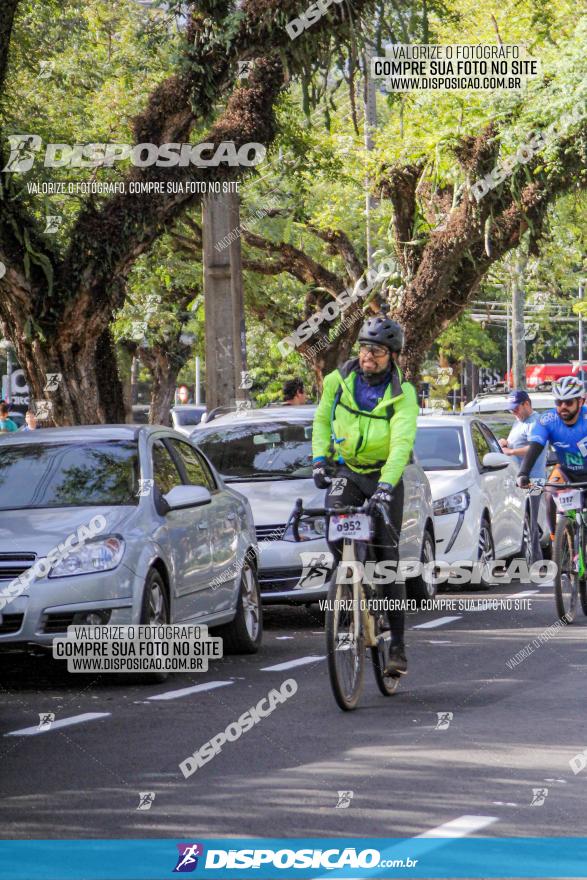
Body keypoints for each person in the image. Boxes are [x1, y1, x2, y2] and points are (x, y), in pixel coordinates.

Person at [311, 316, 419, 675]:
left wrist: (387, 484)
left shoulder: (403, 393)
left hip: (383, 474)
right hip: (349, 471)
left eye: (376, 350)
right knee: (335, 523)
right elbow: (322, 421)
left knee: (387, 562)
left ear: (392, 356)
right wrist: (318, 459)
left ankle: (399, 649)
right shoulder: (337, 381)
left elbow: (402, 443)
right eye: (363, 348)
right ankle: (350, 583)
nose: (367, 356)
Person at [517, 378, 587, 507]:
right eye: (559, 402)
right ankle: (555, 528)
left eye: (568, 402)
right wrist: (523, 473)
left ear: (581, 401)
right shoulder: (547, 420)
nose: (563, 407)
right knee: (549, 495)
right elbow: (535, 447)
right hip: (566, 472)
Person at [499, 390, 546, 560]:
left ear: (527, 403)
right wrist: (506, 442)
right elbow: (517, 441)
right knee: (525, 521)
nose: (514, 412)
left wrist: (511, 451)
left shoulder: (535, 422)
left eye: (516, 408)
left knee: (531, 522)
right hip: (519, 479)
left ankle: (536, 561)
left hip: (534, 479)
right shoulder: (519, 422)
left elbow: (534, 447)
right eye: (511, 409)